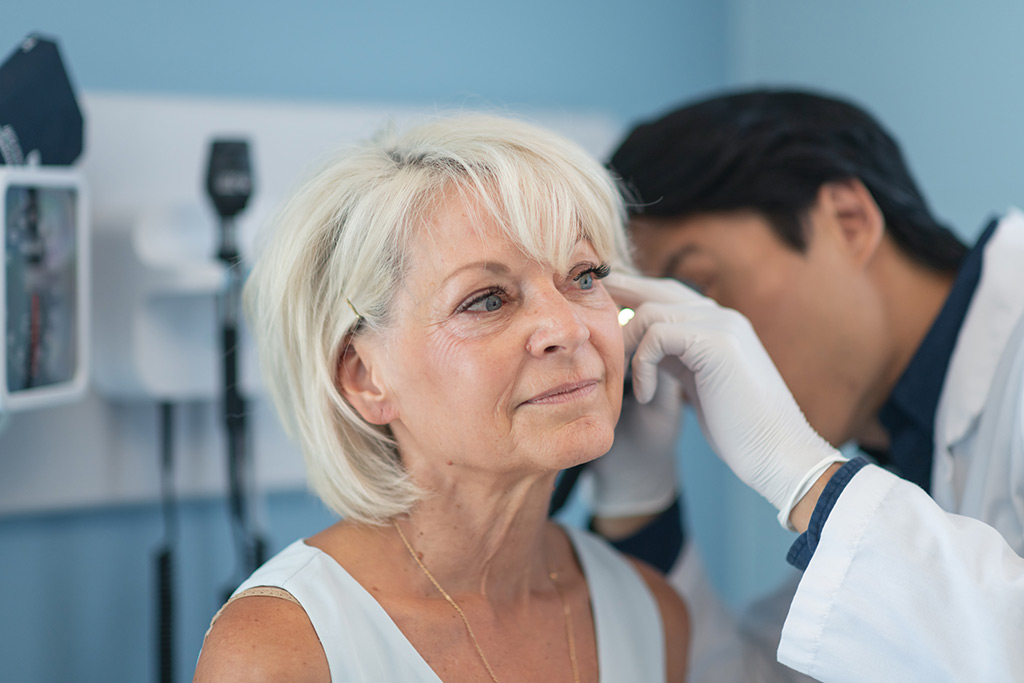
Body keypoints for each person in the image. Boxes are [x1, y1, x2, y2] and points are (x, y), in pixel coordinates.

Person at [193, 113, 689, 682]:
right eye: (486, 300)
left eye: (582, 276)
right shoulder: (282, 649)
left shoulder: (652, 616)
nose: (569, 327)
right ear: (364, 377)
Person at [588, 89, 1024, 681]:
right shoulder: (910, 448)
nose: (690, 347)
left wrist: (806, 477)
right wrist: (637, 503)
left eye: (700, 289)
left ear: (848, 220)